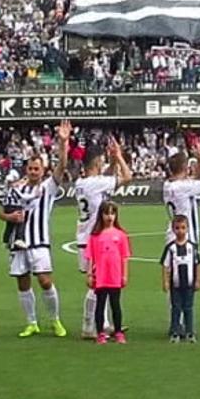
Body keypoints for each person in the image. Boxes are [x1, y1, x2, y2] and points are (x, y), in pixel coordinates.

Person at [0, 120, 71, 338]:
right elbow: (2, 212)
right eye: (30, 168)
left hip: (39, 241)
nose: (33, 171)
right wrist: (9, 216)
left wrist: (63, 142)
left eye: (37, 168)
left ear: (43, 170)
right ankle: (31, 322)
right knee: (23, 282)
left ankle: (55, 320)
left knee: (45, 280)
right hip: (18, 243)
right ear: (26, 169)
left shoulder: (48, 187)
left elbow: (62, 167)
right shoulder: (16, 188)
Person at [75, 137, 132, 339]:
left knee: (103, 282)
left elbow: (106, 180)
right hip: (95, 239)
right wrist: (119, 157)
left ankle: (103, 323)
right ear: (98, 162)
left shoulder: (82, 182)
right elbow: (127, 177)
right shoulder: (95, 183)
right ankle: (88, 325)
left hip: (86, 236)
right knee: (97, 285)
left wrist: (114, 161)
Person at [162, 136, 200, 335]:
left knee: (178, 280)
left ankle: (177, 322)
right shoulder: (182, 186)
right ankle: (180, 324)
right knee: (185, 282)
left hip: (173, 235)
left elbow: (197, 181)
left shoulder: (170, 185)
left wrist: (199, 161)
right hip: (186, 237)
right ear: (185, 168)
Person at [84, 201, 131, 345]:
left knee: (115, 304)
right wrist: (89, 275)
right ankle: (100, 333)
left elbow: (125, 257)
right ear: (101, 215)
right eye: (106, 213)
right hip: (101, 276)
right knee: (100, 304)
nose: (109, 217)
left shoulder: (121, 235)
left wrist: (124, 275)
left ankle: (118, 332)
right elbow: (90, 257)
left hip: (115, 275)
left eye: (112, 213)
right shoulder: (95, 236)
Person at [161, 215, 200, 344]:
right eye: (177, 228)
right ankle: (175, 331)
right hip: (176, 285)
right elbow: (165, 265)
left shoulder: (192, 247)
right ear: (173, 230)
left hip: (189, 284)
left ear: (188, 229)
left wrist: (198, 280)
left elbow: (198, 264)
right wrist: (166, 281)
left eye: (183, 228)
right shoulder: (171, 248)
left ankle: (190, 332)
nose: (180, 231)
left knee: (188, 308)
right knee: (176, 308)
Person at [2, 170, 40, 252]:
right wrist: (34, 195)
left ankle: (6, 240)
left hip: (7, 207)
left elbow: (19, 183)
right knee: (20, 221)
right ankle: (19, 238)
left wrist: (24, 180)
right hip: (14, 206)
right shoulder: (14, 189)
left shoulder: (6, 189)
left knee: (10, 225)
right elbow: (22, 197)